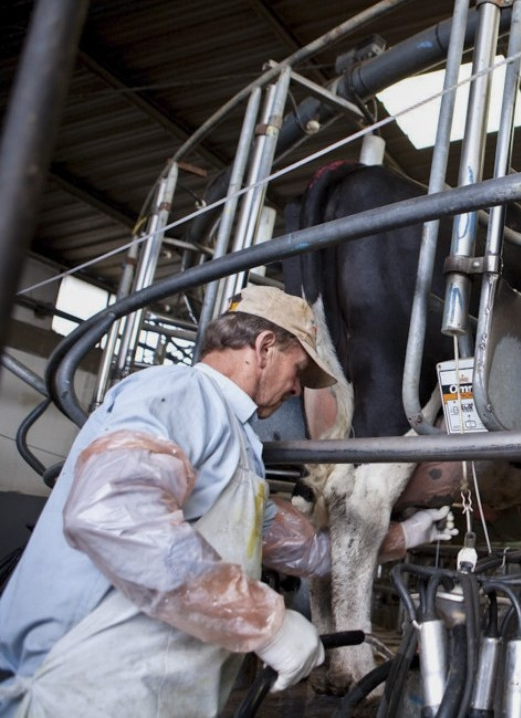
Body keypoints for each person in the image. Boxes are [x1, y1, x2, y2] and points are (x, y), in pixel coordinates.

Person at [0, 286, 453, 717]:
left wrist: (403, 535)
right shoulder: (178, 394)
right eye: (297, 372)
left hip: (141, 692)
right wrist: (264, 620)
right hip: (73, 688)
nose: (298, 390)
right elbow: (114, 516)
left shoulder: (237, 446)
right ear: (264, 347)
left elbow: (306, 551)